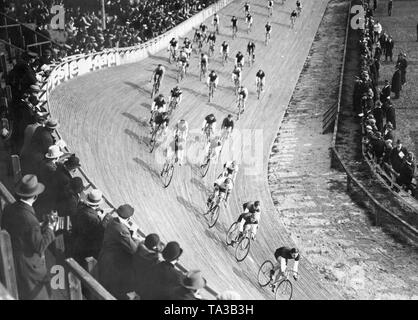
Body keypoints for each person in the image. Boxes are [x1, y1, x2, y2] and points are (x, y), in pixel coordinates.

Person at [1, 174, 57, 300]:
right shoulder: (30, 219)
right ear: (35, 196)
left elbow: (21, 231)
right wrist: (50, 228)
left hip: (12, 259)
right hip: (29, 268)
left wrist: (41, 226)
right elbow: (39, 246)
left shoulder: (9, 209)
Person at [98, 204, 140, 300]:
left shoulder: (112, 220)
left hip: (104, 255)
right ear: (128, 218)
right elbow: (133, 250)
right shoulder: (123, 231)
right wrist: (134, 236)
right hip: (112, 264)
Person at [71, 189, 112, 267]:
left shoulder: (80, 206)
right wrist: (105, 219)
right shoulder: (93, 219)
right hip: (87, 245)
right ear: (97, 204)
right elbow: (99, 233)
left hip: (77, 238)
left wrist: (97, 213)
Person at [132, 233, 163, 300]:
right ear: (154, 247)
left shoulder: (137, 248)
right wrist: (157, 251)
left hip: (131, 276)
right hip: (137, 285)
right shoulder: (153, 260)